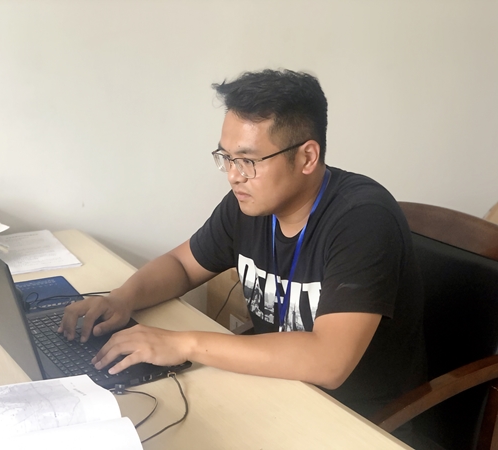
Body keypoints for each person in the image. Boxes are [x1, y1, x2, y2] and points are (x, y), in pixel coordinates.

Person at [59, 69, 426, 423]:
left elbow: (329, 362)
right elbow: (182, 265)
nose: (234, 175)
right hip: (275, 387)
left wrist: (183, 344)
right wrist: (122, 300)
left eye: (248, 161)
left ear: (307, 157)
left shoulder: (363, 219)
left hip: (353, 416)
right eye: (227, 158)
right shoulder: (248, 204)